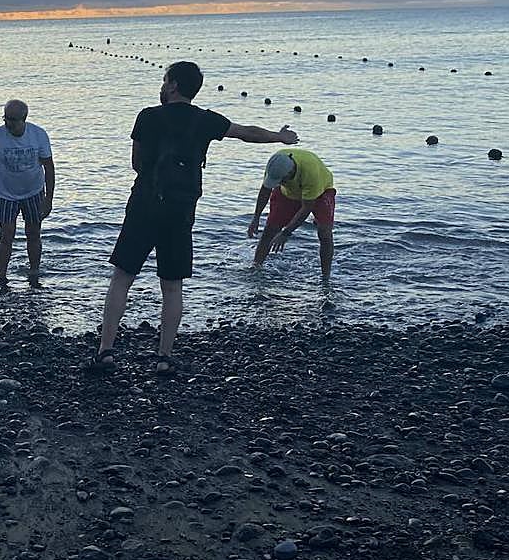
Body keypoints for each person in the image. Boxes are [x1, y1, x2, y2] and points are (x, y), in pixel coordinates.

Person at [90, 61, 299, 377]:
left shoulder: (147, 116)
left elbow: (136, 163)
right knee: (172, 287)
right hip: (181, 208)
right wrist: (279, 137)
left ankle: (105, 351)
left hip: (144, 203)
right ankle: (164, 357)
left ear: (173, 85)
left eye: (164, 80)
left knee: (122, 277)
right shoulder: (205, 120)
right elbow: (246, 133)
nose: (162, 86)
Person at [0, 99, 55, 287]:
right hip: (6, 194)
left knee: (34, 233)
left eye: (13, 119)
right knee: (6, 235)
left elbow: (49, 167)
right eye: (6, 119)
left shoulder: (38, 135)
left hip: (34, 192)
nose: (8, 123)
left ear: (24, 119)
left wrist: (49, 198)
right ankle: (2, 277)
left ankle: (34, 272)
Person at [248, 149, 336, 282]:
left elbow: (306, 208)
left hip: (321, 191)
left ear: (290, 172)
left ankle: (326, 278)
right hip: (288, 193)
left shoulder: (310, 173)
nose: (278, 182)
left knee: (324, 232)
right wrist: (256, 217)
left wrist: (286, 233)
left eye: (280, 180)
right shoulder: (275, 164)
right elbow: (265, 191)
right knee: (270, 230)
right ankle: (255, 269)